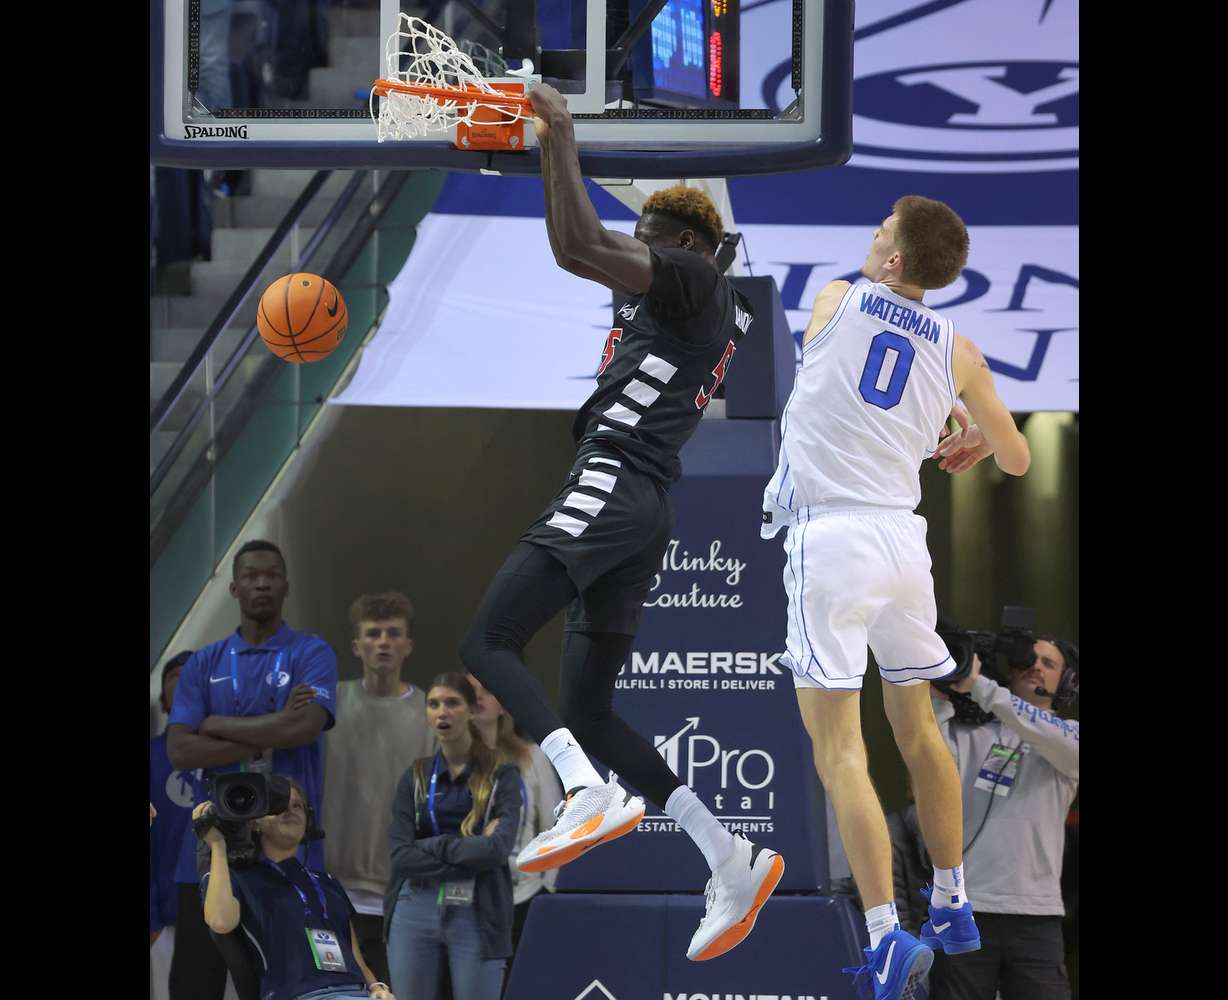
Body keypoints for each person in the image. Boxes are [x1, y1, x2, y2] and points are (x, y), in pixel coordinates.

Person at [459, 82, 783, 965]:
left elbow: (576, 246)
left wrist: (557, 130)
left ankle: (582, 791)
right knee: (590, 712)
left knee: (487, 640)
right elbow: (599, 234)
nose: (632, 254)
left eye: (647, 242)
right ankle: (730, 856)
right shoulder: (686, 290)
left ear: (684, 249)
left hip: (613, 478)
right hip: (644, 506)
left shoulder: (693, 276)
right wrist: (570, 159)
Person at [759, 196, 1032, 999]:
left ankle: (884, 936)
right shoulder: (962, 352)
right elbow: (1017, 458)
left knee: (841, 751)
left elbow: (849, 372)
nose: (873, 233)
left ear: (894, 261)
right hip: (903, 547)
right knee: (917, 728)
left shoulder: (834, 299)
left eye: (882, 230)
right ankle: (952, 898)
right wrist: (974, 429)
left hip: (832, 541)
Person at [167, 539, 338, 1000]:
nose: (262, 583)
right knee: (195, 986)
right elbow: (180, 749)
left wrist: (215, 724)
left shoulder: (312, 652)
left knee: (288, 986)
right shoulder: (204, 662)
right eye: (251, 576)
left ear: (286, 584)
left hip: (288, 847)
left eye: (272, 575)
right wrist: (277, 723)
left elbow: (305, 727)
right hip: (211, 843)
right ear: (234, 588)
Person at [927, 641, 1079, 1000]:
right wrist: (937, 695)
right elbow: (930, 765)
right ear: (1011, 670)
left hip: (1036, 914)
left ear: (1066, 681)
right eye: (1029, 658)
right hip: (965, 909)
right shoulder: (970, 734)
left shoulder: (1070, 733)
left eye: (1049, 663)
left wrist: (981, 687)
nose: (1036, 666)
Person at [385, 673, 522, 1000]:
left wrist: (431, 845)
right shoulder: (415, 776)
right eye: (433, 704)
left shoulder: (503, 775)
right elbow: (401, 857)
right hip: (414, 903)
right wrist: (472, 850)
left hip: (479, 907)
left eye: (452, 703)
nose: (442, 712)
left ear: (472, 710)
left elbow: (497, 849)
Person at [322, 592, 435, 988]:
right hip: (333, 884)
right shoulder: (329, 703)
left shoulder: (431, 712)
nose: (383, 642)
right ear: (356, 646)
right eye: (373, 633)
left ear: (408, 644)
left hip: (401, 889)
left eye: (393, 633)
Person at [196, 778, 395, 1000]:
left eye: (298, 805)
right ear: (254, 822)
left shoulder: (328, 882)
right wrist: (217, 844)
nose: (290, 811)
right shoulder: (239, 878)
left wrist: (377, 987)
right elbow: (220, 922)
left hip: (356, 992)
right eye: (279, 805)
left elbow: (355, 957)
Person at [465, 672, 564, 954]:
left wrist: (547, 888)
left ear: (504, 704)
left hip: (523, 895)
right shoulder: (450, 759)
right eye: (469, 691)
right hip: (465, 896)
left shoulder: (532, 756)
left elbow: (555, 824)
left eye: (487, 690)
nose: (478, 697)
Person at [151, 650, 200, 1000]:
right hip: (164, 922)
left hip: (228, 918)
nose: (185, 681)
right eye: (175, 675)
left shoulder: (234, 757)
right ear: (164, 700)